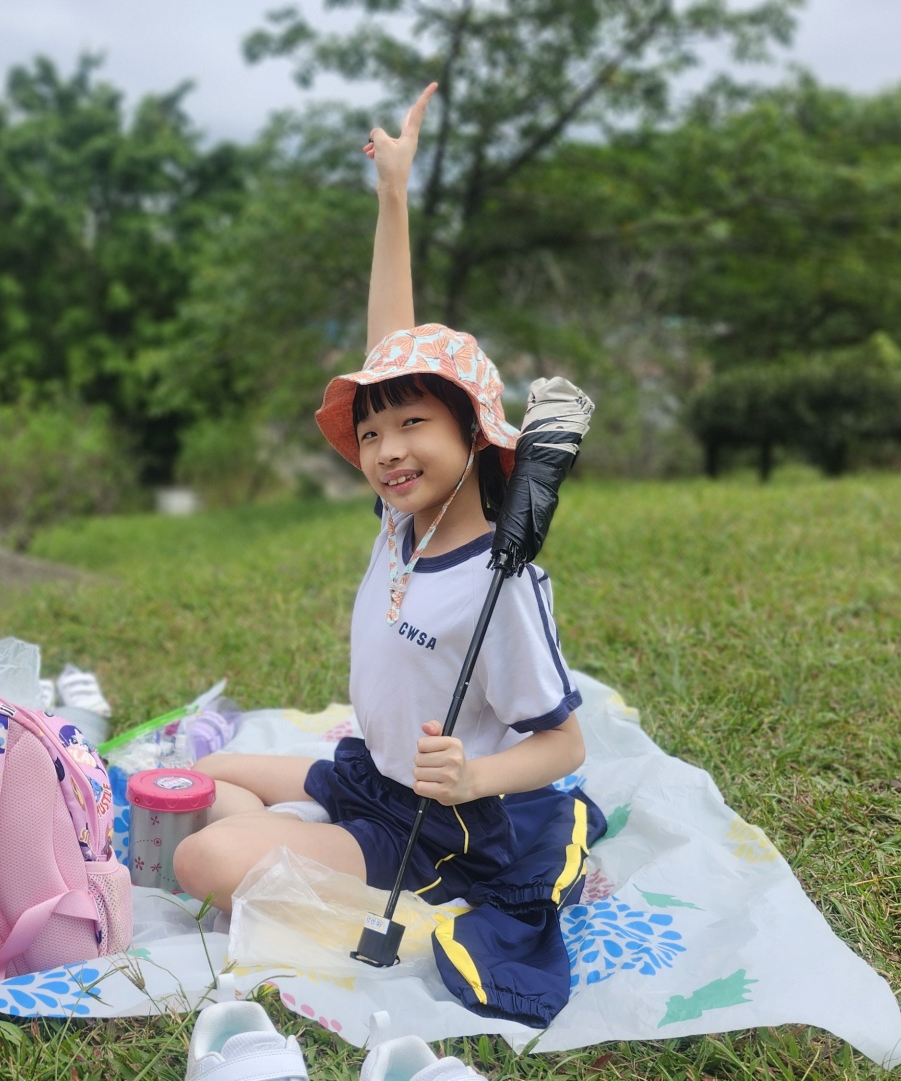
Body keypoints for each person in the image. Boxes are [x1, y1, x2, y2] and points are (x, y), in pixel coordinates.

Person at [172, 86, 606, 1023]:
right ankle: (297, 852)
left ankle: (362, 891)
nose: (387, 450)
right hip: (370, 776)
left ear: (473, 435)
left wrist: (477, 776)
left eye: (414, 424)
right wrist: (394, 198)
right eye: (371, 433)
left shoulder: (500, 584)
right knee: (209, 778)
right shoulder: (402, 522)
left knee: (203, 856)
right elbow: (391, 343)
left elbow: (566, 742)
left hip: (437, 827)